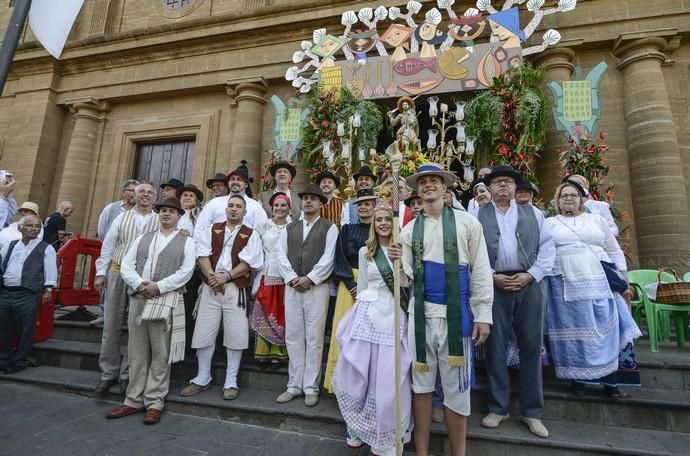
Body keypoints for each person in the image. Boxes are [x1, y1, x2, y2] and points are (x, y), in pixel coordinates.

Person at [391, 163, 494, 456]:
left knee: (457, 391)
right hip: (421, 314)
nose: (428, 185)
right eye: (422, 182)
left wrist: (483, 314)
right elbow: (406, 279)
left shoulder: (467, 224)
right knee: (421, 386)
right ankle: (421, 452)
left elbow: (482, 270)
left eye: (434, 181)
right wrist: (398, 260)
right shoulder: (409, 229)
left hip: (457, 315)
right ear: (417, 190)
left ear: (444, 188)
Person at [478, 166, 555, 439]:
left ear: (515, 187)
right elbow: (470, 252)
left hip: (530, 284)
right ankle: (498, 408)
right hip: (494, 285)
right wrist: (491, 277)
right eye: (497, 182)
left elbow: (548, 249)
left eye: (508, 182)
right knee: (495, 346)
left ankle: (532, 412)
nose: (502, 186)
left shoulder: (534, 213)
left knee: (531, 346)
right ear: (488, 187)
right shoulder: (477, 215)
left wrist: (530, 275)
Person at [545, 181, 641, 398]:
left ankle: (610, 381)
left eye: (573, 195)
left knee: (606, 332)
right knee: (576, 335)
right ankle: (578, 379)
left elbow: (613, 250)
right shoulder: (550, 223)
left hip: (601, 281)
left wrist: (623, 277)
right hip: (564, 285)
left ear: (581, 199)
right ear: (557, 201)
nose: (568, 199)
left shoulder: (596, 220)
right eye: (563, 196)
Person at [106, 197, 196, 424]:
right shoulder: (142, 238)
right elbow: (127, 265)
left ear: (179, 216)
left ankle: (155, 401)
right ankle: (132, 399)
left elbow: (186, 271)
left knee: (160, 352)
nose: (166, 214)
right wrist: (138, 284)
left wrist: (159, 286)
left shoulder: (187, 241)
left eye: (171, 211)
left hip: (164, 300)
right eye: (163, 211)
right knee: (136, 351)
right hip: (139, 298)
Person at [333, 205, 413, 455]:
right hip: (367, 316)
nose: (383, 223)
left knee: (389, 375)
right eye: (378, 219)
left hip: (393, 316)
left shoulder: (403, 249)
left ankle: (386, 434)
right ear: (373, 224)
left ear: (394, 221)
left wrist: (400, 263)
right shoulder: (364, 252)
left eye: (387, 219)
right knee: (360, 373)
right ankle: (359, 427)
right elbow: (364, 286)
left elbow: (409, 283)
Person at [181, 195, 264, 400]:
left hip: (235, 289)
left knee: (236, 335)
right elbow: (202, 255)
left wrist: (225, 277)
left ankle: (231, 380)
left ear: (245, 212)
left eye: (239, 207)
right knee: (204, 332)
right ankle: (202, 377)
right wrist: (212, 277)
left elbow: (249, 262)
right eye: (231, 206)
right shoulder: (212, 229)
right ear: (226, 209)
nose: (234, 209)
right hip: (210, 288)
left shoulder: (250, 234)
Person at [93, 182, 161, 397]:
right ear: (134, 195)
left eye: (150, 193)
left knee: (136, 328)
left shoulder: (160, 220)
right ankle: (108, 372)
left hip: (143, 279)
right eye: (141, 192)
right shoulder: (121, 218)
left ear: (154, 197)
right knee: (111, 324)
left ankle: (128, 373)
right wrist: (100, 273)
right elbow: (108, 246)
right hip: (118, 272)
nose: (145, 195)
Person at [275, 184, 338, 407]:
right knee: (293, 336)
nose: (309, 201)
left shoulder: (330, 228)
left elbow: (329, 258)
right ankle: (294, 385)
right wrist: (293, 278)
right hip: (292, 287)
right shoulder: (289, 228)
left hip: (316, 288)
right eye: (306, 198)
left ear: (321, 203)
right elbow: (280, 256)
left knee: (314, 337)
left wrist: (310, 278)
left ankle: (311, 387)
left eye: (314, 198)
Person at [323, 188, 377, 393]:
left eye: (367, 204)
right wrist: (352, 285)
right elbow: (340, 258)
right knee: (344, 331)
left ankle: (365, 384)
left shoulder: (380, 229)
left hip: (373, 285)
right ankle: (339, 383)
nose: (363, 207)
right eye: (360, 204)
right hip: (350, 285)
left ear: (374, 207)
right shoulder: (347, 230)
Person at [0, 214, 57, 374]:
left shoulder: (46, 248)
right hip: (6, 291)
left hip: (28, 293)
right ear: (20, 228)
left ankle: (20, 360)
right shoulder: (10, 246)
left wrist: (48, 289)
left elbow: (50, 270)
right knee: (3, 327)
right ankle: (3, 359)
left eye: (37, 226)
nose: (34, 229)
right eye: (30, 225)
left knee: (25, 329)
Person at [250, 193, 291, 369]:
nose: (279, 208)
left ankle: (278, 354)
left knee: (281, 313)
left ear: (289, 208)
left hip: (285, 276)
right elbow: (252, 247)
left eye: (283, 205)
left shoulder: (293, 227)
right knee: (265, 311)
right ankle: (263, 353)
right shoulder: (262, 226)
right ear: (271, 207)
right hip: (266, 273)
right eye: (276, 205)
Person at [92, 179, 139, 327]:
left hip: (133, 256)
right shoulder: (111, 209)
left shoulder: (142, 212)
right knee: (109, 285)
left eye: (136, 191)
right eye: (130, 190)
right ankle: (104, 314)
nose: (133, 193)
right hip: (113, 253)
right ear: (123, 192)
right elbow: (102, 232)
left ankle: (127, 315)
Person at [193, 165, 268, 239]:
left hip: (244, 249)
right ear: (228, 183)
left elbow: (261, 232)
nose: (235, 182)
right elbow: (200, 228)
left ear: (246, 184)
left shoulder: (255, 206)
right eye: (232, 179)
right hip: (214, 248)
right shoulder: (214, 203)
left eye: (239, 179)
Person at [175, 183, 204, 351]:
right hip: (173, 265)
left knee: (188, 304)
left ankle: (186, 344)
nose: (187, 197)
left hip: (192, 266)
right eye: (184, 195)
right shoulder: (174, 214)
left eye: (191, 195)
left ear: (197, 200)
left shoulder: (200, 216)